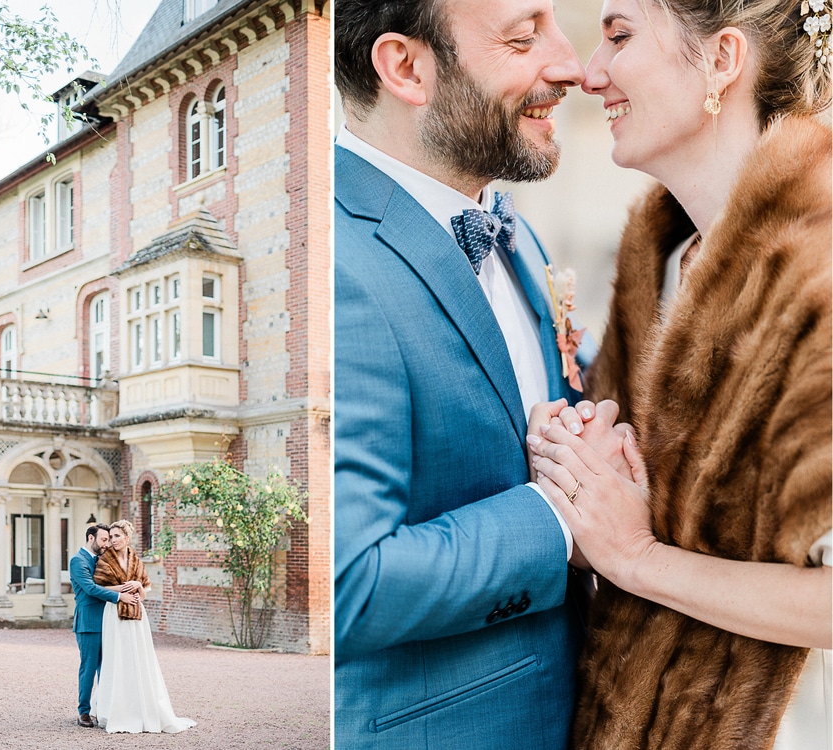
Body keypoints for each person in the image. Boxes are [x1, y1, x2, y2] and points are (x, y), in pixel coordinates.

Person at [527, 0, 832, 747]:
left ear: (723, 60)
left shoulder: (820, 277)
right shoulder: (661, 263)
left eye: (619, 36)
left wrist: (637, 557)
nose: (589, 73)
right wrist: (573, 451)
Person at [333, 1, 594, 747]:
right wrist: (561, 517)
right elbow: (350, 583)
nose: (569, 64)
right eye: (523, 37)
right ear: (406, 67)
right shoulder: (339, 268)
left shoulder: (507, 224)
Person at [89, 519, 196, 734]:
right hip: (115, 611)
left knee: (139, 659)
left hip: (138, 615)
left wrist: (138, 585)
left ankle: (142, 707)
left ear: (127, 538)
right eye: (110, 537)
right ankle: (115, 710)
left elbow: (144, 593)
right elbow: (100, 586)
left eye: (117, 536)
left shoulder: (137, 561)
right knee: (117, 659)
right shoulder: (104, 560)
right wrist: (126, 589)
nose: (113, 540)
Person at [69, 523, 140, 728]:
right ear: (91, 538)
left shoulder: (103, 559)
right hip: (88, 623)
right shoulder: (77, 561)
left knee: (108, 669)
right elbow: (91, 588)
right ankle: (84, 711)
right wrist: (120, 597)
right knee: (89, 668)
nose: (106, 544)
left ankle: (104, 709)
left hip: (109, 622)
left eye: (108, 540)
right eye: (103, 540)